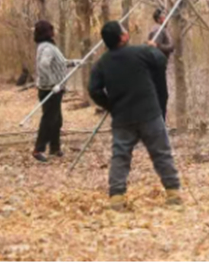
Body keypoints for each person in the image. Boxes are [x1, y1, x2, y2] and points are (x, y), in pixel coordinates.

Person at [88, 21, 182, 210]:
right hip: (150, 114)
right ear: (123, 37)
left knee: (120, 157)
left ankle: (116, 197)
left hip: (122, 117)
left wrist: (110, 105)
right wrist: (154, 48)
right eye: (124, 30)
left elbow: (93, 90)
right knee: (161, 153)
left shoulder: (102, 64)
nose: (126, 32)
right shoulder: (141, 52)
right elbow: (161, 61)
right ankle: (173, 193)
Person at [32, 20, 80, 162]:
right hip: (50, 90)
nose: (54, 32)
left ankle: (55, 147)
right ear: (46, 32)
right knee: (49, 119)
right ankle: (38, 149)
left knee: (56, 119)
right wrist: (53, 83)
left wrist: (73, 63)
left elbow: (59, 62)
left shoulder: (49, 46)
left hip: (55, 89)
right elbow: (43, 65)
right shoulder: (46, 47)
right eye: (51, 29)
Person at [147, 8, 175, 121]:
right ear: (159, 19)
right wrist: (158, 46)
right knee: (161, 96)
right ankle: (159, 124)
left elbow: (169, 47)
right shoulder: (157, 30)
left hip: (160, 67)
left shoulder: (163, 30)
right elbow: (154, 49)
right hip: (156, 68)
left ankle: (159, 123)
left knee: (161, 96)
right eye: (164, 16)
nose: (166, 18)